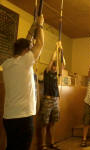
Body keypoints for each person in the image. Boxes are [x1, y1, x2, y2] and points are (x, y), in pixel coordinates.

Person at [2, 15, 44, 150]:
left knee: (11, 147)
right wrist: (41, 25)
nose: (31, 50)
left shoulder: (7, 64)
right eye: (29, 49)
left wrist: (34, 27)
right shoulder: (25, 62)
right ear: (26, 52)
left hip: (8, 118)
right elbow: (40, 44)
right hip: (23, 118)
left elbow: (28, 44)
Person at [38, 42, 64, 150]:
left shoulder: (56, 74)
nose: (55, 67)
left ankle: (52, 142)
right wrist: (56, 48)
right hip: (47, 101)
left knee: (53, 123)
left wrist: (61, 51)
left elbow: (63, 64)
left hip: (55, 101)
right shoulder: (47, 72)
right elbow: (51, 60)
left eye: (55, 66)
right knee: (44, 123)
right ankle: (43, 144)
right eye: (54, 65)